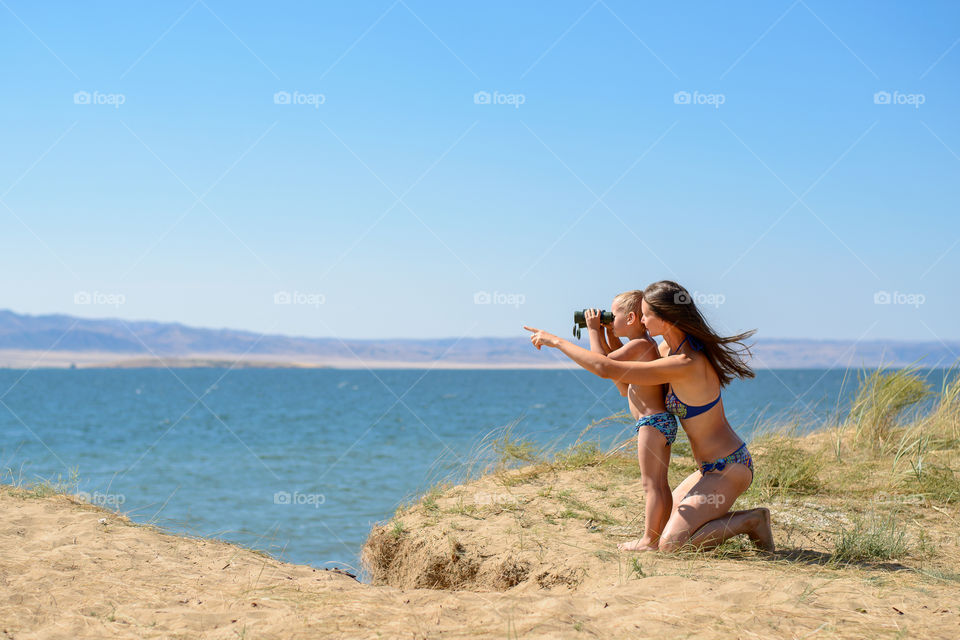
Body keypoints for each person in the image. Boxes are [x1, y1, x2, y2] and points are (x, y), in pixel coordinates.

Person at [524, 280, 774, 553]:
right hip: (706, 470)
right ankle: (722, 521)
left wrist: (556, 341)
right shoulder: (667, 352)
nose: (641, 320)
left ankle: (752, 520)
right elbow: (621, 377)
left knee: (670, 545)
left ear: (665, 318)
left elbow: (605, 368)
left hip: (730, 467)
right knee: (664, 523)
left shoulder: (685, 363)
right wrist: (612, 335)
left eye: (646, 315)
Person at [583, 291, 678, 551]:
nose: (609, 320)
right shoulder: (642, 346)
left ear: (633, 317)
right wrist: (609, 335)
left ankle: (649, 540)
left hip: (651, 424)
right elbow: (622, 384)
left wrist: (593, 330)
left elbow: (601, 364)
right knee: (659, 483)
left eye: (614, 316)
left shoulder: (640, 345)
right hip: (660, 423)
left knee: (651, 485)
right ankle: (661, 534)